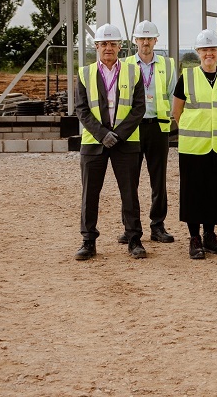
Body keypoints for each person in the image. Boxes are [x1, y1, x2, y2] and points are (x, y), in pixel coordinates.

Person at [74, 24, 147, 261]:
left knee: (129, 193)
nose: (108, 48)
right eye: (103, 44)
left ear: (120, 47)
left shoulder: (133, 72)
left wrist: (119, 134)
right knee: (90, 194)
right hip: (94, 143)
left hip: (125, 143)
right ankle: (88, 241)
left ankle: (134, 240)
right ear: (96, 47)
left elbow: (139, 108)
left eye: (112, 44)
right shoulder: (84, 73)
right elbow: (82, 109)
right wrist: (101, 134)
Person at [172, 29, 217, 260]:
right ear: (198, 52)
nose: (208, 53)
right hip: (193, 147)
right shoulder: (187, 77)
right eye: (204, 49)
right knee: (193, 192)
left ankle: (210, 235)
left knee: (215, 191)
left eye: (213, 49)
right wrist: (194, 130)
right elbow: (176, 111)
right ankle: (194, 238)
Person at [121, 20, 176, 245]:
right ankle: (130, 228)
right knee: (129, 181)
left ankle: (158, 226)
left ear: (156, 40)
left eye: (149, 38)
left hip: (158, 126)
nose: (145, 42)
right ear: (135, 41)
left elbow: (173, 93)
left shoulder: (167, 64)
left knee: (158, 180)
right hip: (132, 128)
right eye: (141, 38)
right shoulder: (124, 65)